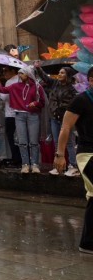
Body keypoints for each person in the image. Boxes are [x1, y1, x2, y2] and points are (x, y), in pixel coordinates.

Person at [54, 66, 93, 253]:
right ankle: (87, 243)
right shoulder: (81, 100)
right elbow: (66, 128)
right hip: (87, 154)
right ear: (90, 80)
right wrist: (60, 155)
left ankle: (88, 242)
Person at [0, 67, 46, 173]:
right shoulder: (15, 86)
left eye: (21, 73)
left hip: (33, 115)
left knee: (34, 141)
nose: (19, 75)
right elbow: (2, 90)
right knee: (22, 141)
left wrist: (35, 103)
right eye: (19, 73)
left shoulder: (37, 86)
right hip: (19, 116)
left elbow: (42, 101)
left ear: (28, 74)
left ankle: (35, 164)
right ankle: (25, 164)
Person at [37, 66, 79, 176]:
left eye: (62, 73)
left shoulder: (72, 89)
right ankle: (58, 167)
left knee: (69, 143)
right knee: (57, 143)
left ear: (68, 75)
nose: (59, 74)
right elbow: (44, 77)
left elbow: (74, 105)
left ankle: (73, 166)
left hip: (66, 119)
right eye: (59, 73)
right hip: (54, 117)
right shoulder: (54, 84)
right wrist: (38, 68)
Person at [0, 66, 21, 168]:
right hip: (20, 113)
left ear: (13, 71)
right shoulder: (21, 80)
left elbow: (3, 97)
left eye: (6, 71)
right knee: (21, 138)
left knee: (12, 137)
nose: (4, 73)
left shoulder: (10, 82)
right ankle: (21, 159)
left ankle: (16, 159)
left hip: (11, 114)